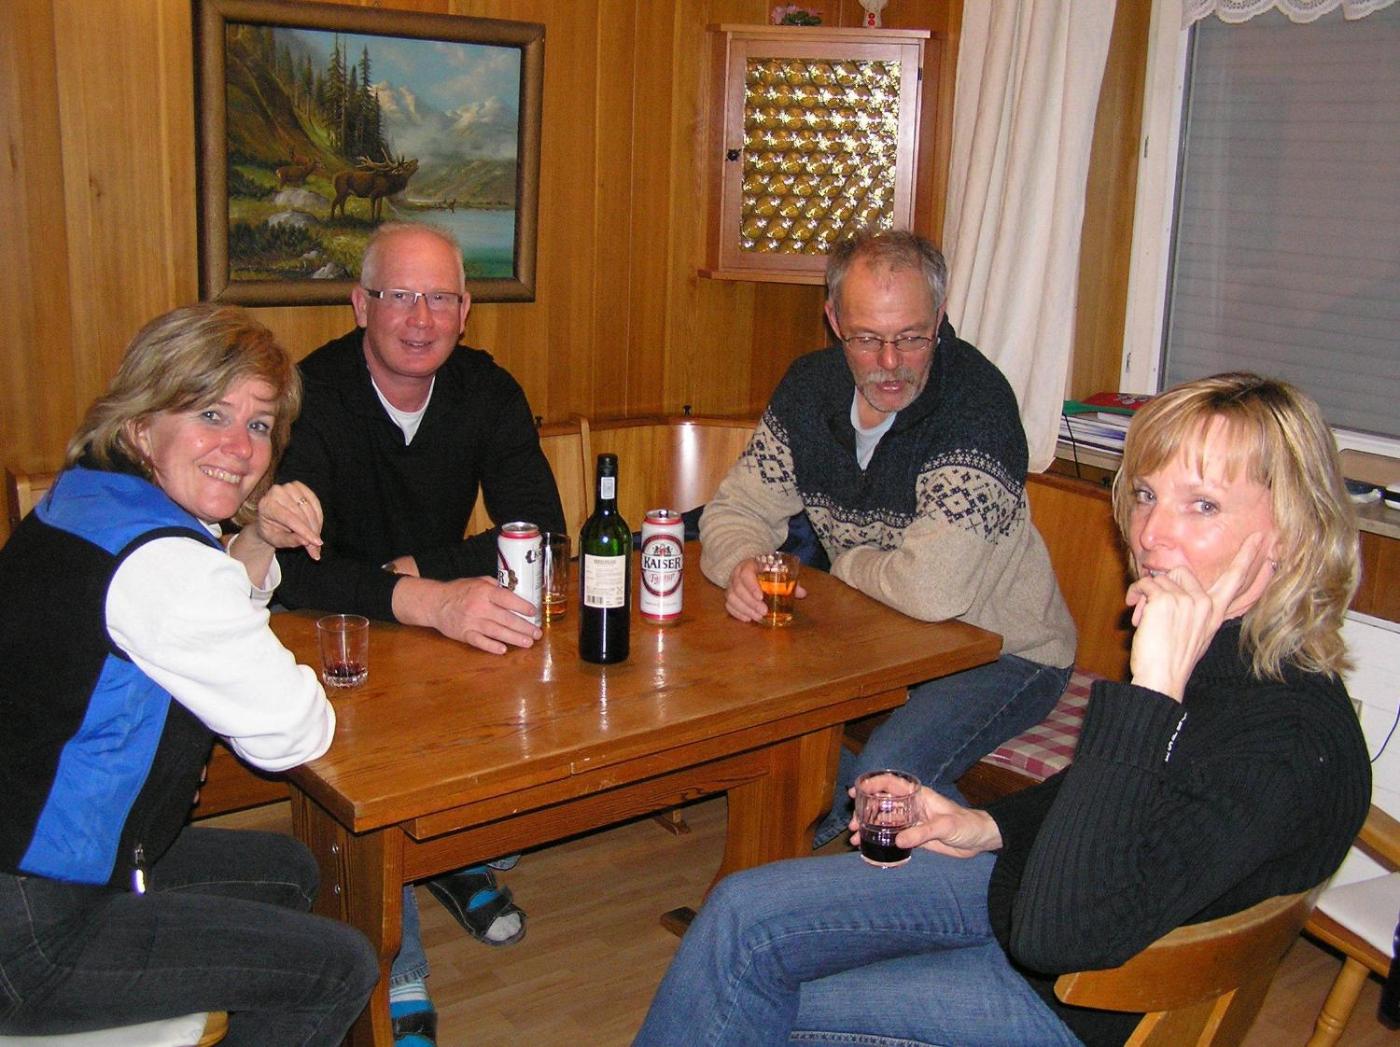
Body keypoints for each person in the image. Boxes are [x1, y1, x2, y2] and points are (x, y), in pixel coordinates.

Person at [635, 372, 1371, 1047]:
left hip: (1074, 998)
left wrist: (1149, 695)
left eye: (1202, 505)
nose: (1150, 535)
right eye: (1147, 495)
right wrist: (984, 825)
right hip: (1042, 896)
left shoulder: (1286, 742)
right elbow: (1118, 800)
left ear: (1291, 532)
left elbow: (1059, 935)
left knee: (750, 989)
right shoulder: (1227, 657)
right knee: (741, 913)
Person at [0, 304, 378, 1045]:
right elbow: (291, 730)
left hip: (64, 848)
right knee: (340, 967)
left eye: (260, 424)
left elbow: (179, 612)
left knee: (289, 868)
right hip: (31, 933)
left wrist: (255, 540)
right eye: (211, 413)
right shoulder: (167, 564)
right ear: (141, 423)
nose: (240, 447)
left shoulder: (88, 495)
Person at [274, 222, 565, 1045]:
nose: (421, 317)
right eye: (400, 295)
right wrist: (424, 598)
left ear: (465, 311)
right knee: (365, 745)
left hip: (430, 621)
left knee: (510, 677)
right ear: (360, 303)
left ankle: (449, 855)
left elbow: (542, 532)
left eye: (441, 297)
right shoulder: (311, 395)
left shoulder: (485, 389)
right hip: (329, 634)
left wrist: (424, 575)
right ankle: (395, 956)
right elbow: (291, 571)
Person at [699, 229, 1076, 845]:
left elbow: (932, 591)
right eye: (867, 338)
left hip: (1005, 652)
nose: (891, 362)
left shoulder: (976, 409)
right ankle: (814, 833)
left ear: (940, 318)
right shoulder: (809, 390)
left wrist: (844, 562)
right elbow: (735, 508)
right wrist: (743, 562)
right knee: (736, 714)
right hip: (877, 636)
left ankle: (1013, 871)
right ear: (833, 320)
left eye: (912, 338)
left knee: (886, 779)